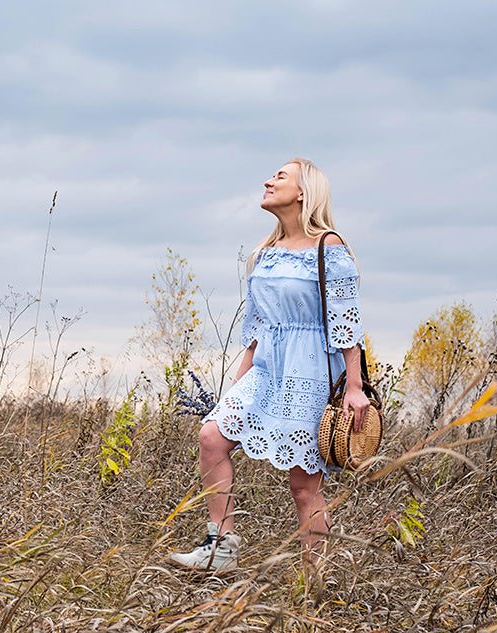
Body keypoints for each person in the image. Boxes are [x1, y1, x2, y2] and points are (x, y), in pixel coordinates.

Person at [169, 158, 369, 573]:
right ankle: (221, 545)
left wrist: (354, 387)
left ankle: (314, 582)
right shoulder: (266, 253)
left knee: (303, 485)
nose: (268, 181)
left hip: (311, 371)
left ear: (304, 192)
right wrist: (236, 388)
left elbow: (347, 324)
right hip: (265, 370)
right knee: (211, 437)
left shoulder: (329, 246)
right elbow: (256, 328)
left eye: (280, 177)